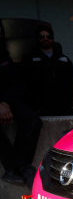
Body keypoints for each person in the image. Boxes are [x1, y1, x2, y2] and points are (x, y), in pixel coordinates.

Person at [0, 22, 41, 187]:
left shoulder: (5, 53)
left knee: (32, 119)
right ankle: (12, 167)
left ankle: (23, 166)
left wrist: (5, 102)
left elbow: (18, 83)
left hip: (8, 102)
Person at [22, 23, 73, 116]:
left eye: (49, 36)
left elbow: (71, 83)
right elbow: (26, 84)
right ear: (37, 39)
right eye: (41, 36)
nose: (45, 39)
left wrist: (72, 104)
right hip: (40, 109)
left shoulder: (64, 60)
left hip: (63, 108)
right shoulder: (29, 59)